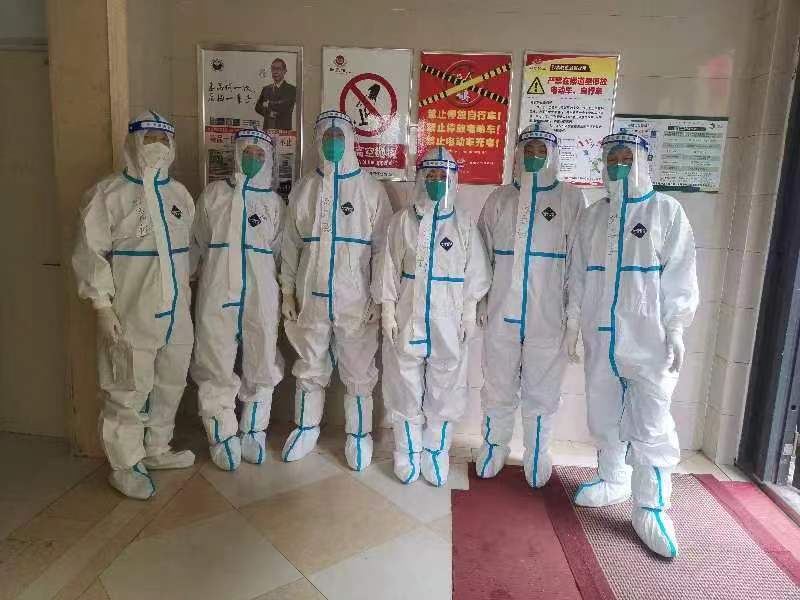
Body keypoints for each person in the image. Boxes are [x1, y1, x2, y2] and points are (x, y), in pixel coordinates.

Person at [566, 132, 699, 558]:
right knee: (604, 411)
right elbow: (578, 274)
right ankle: (613, 478)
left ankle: (651, 507)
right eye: (612, 158)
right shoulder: (593, 216)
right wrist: (573, 322)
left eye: (627, 157)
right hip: (600, 334)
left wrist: (675, 327)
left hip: (649, 339)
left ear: (643, 161)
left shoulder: (665, 210)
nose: (618, 165)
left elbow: (680, 274)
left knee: (651, 421)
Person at [73, 110, 195, 500]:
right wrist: (101, 306)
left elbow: (189, 253)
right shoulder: (108, 194)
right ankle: (125, 465)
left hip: (177, 312)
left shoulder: (179, 195)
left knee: (171, 381)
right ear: (133, 143)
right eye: (149, 138)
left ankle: (157, 447)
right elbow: (90, 253)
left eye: (163, 138)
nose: (157, 146)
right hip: (131, 311)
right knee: (127, 387)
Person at [280, 110, 392, 471]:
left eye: (338, 136)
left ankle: (358, 435)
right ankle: (305, 428)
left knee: (358, 368)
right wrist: (287, 291)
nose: (332, 143)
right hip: (310, 296)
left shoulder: (370, 189)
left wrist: (378, 295)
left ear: (350, 140)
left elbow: (383, 249)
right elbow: (290, 244)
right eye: (326, 137)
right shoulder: (305, 188)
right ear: (317, 141)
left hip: (355, 298)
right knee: (309, 364)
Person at [475, 123, 585, 489]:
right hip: (502, 312)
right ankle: (494, 445)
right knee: (497, 384)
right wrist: (481, 299)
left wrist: (572, 316)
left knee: (543, 388)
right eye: (528, 150)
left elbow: (578, 262)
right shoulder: (500, 199)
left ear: (553, 155)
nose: (534, 157)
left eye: (541, 151)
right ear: (518, 154)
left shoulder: (570, 199)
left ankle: (537, 452)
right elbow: (482, 255)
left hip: (547, 315)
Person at [381, 147, 491, 486]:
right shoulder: (401, 222)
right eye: (430, 175)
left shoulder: (464, 224)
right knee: (404, 386)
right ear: (420, 179)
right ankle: (407, 452)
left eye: (443, 176)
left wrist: (469, 312)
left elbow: (476, 274)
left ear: (453, 180)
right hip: (407, 318)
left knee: (446, 389)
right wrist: (387, 309)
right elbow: (387, 268)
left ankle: (435, 452)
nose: (436, 182)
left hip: (448, 322)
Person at [191, 129, 284, 471]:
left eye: (261, 155)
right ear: (236, 153)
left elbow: (280, 252)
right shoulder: (213, 195)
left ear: (269, 159)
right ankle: (221, 433)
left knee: (262, 356)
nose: (254, 159)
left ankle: (254, 430)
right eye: (248, 152)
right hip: (217, 289)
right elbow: (198, 242)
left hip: (262, 293)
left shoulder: (274, 203)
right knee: (214, 358)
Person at [256, 58, 296, 131]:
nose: (275, 72)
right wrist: (269, 113)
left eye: (278, 69)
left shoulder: (292, 89)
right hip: (267, 131)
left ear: (284, 71)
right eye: (273, 69)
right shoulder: (266, 89)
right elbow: (257, 107)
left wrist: (267, 104)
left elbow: (285, 107)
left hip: (284, 132)